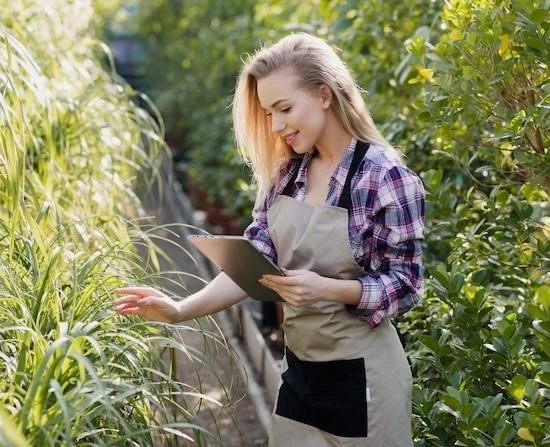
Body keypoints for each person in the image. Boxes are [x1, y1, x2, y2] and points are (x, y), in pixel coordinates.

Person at [114, 32, 425, 447]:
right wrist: (179, 310)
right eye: (268, 114)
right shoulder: (287, 176)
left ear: (324, 95)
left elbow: (406, 285)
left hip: (366, 382)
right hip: (300, 376)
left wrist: (327, 290)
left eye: (284, 109)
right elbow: (253, 262)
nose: (276, 126)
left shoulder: (384, 177)